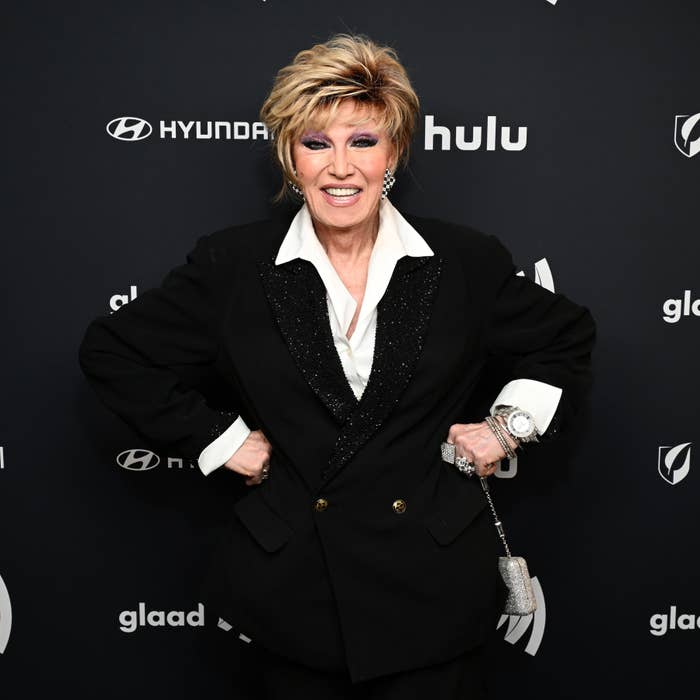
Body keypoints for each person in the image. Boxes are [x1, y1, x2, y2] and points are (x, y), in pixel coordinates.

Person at [79, 34, 595, 699]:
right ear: (291, 158)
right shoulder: (234, 266)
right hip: (292, 587)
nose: (340, 167)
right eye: (316, 143)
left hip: (431, 580)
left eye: (363, 141)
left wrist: (506, 427)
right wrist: (219, 439)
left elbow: (566, 337)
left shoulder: (465, 261)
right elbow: (114, 351)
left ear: (396, 153)